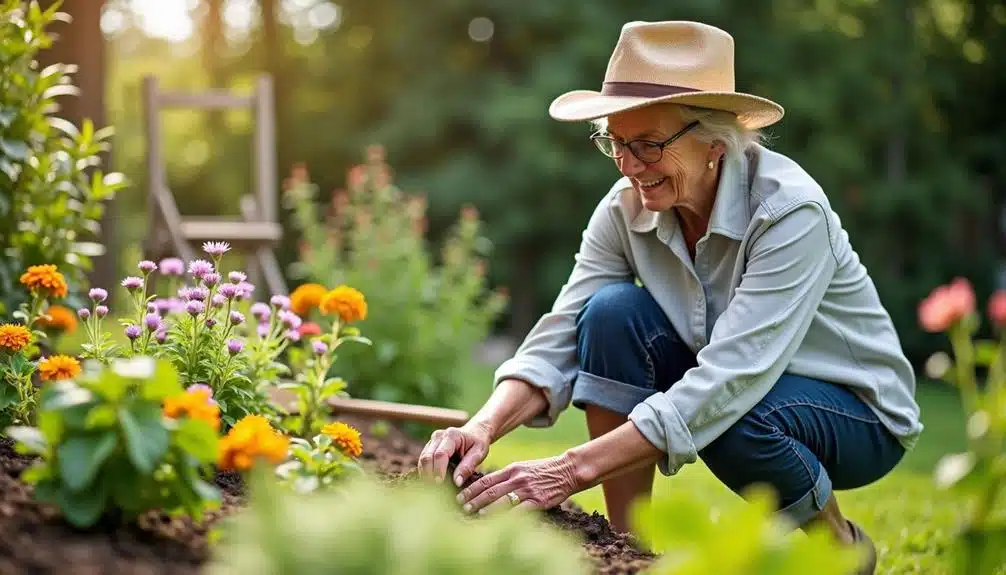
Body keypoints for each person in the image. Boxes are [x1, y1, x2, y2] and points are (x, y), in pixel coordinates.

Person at [417, 20, 923, 574]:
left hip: (858, 414)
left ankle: (841, 550)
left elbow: (732, 379)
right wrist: (481, 426)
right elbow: (563, 330)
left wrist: (569, 469)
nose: (630, 166)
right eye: (616, 142)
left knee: (735, 413)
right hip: (739, 385)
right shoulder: (624, 208)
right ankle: (627, 553)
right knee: (608, 314)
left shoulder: (789, 212)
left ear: (713, 140)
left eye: (649, 145)